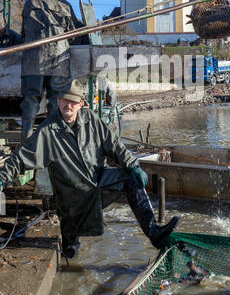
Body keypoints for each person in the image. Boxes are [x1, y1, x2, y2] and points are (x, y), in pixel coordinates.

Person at [0, 80, 179, 259]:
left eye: (73, 101)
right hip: (72, 199)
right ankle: (70, 259)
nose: (68, 105)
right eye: (64, 100)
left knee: (130, 180)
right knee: (70, 252)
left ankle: (154, 232)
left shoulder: (91, 119)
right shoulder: (47, 131)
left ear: (81, 103)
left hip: (98, 183)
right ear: (58, 101)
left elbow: (113, 144)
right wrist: (2, 179)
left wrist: (132, 165)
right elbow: (19, 158)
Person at [20, 0, 84, 144]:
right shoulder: (64, 4)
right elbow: (73, 34)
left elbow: (23, 33)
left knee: (30, 100)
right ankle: (52, 141)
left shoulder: (30, 1)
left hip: (31, 58)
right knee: (56, 99)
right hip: (58, 59)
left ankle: (26, 140)